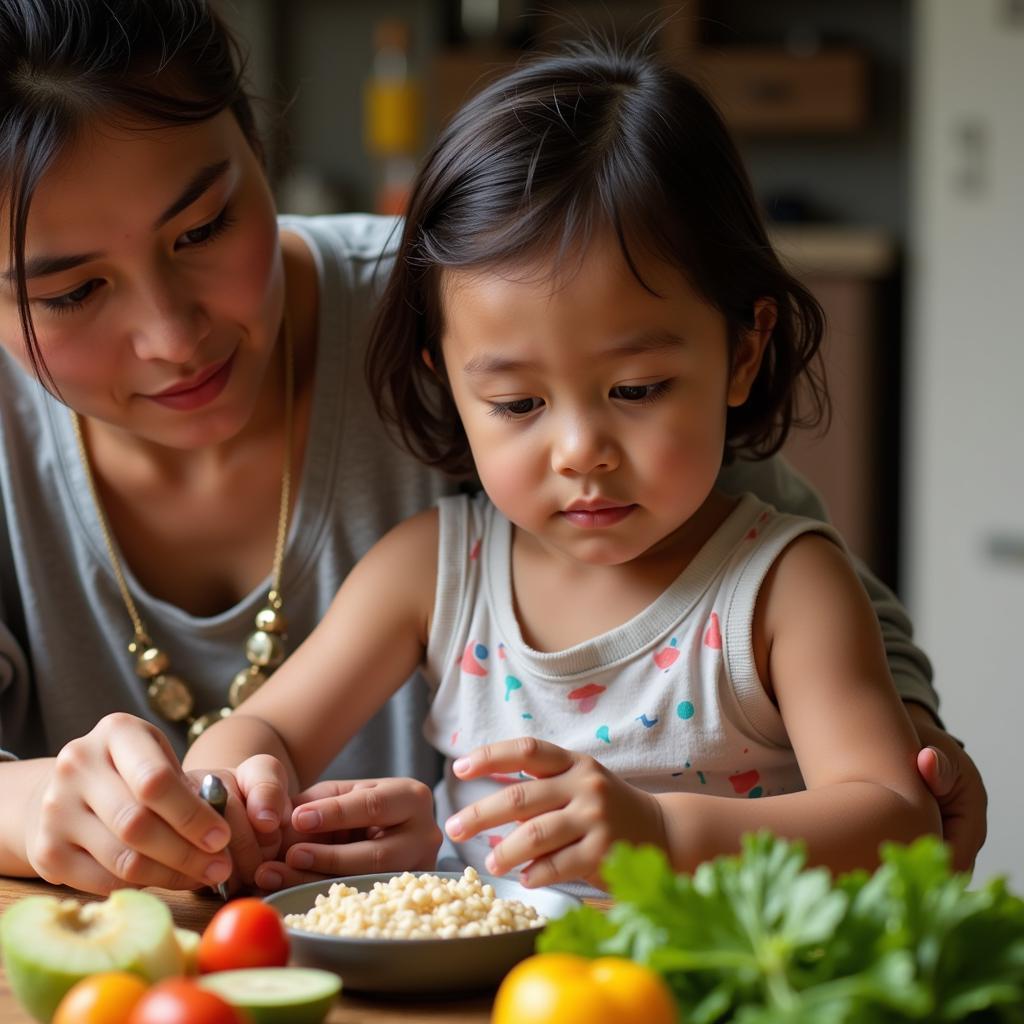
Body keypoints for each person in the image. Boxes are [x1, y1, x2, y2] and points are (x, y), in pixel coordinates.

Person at [0, 1, 982, 897]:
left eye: (204, 226)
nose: (582, 449)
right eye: (68, 291)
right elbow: (260, 739)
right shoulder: (441, 560)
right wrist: (237, 797)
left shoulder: (482, 285)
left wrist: (885, 752)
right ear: (449, 373)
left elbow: (870, 739)